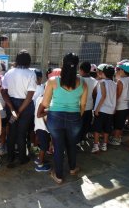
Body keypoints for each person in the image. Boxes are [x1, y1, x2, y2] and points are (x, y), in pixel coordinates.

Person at [38, 53, 88, 184]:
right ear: (77, 66)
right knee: (72, 144)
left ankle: (58, 176)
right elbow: (83, 105)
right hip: (75, 117)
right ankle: (72, 168)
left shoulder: (53, 81)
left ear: (62, 64)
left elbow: (45, 103)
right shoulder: (83, 83)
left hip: (55, 118)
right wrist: (77, 115)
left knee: (58, 146)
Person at [2, 50, 37, 168]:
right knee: (22, 132)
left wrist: (12, 109)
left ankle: (10, 157)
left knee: (11, 131)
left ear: (17, 60)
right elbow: (29, 96)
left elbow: (4, 92)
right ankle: (22, 158)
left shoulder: (9, 73)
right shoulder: (31, 74)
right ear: (29, 61)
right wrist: (19, 111)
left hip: (11, 103)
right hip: (25, 107)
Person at [91, 65, 116, 153]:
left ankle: (96, 145)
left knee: (97, 129)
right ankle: (104, 145)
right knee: (107, 128)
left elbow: (103, 96)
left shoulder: (102, 82)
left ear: (103, 73)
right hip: (110, 110)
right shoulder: (114, 83)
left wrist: (97, 109)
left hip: (102, 109)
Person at [109, 62, 129, 146]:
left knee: (117, 123)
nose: (118, 71)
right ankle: (118, 137)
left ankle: (116, 139)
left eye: (119, 69)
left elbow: (117, 95)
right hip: (128, 105)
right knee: (121, 122)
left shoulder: (120, 81)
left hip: (120, 105)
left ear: (123, 70)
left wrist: (113, 105)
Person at [79, 62, 98, 144]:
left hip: (79, 107)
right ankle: (83, 139)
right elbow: (95, 94)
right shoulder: (94, 81)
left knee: (78, 125)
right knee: (86, 124)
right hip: (89, 107)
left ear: (81, 70)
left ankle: (78, 141)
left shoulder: (78, 79)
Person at [34, 94, 51, 172]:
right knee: (44, 146)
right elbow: (39, 114)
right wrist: (50, 112)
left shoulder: (39, 97)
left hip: (39, 125)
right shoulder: (45, 100)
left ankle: (39, 159)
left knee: (43, 145)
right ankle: (39, 166)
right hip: (42, 127)